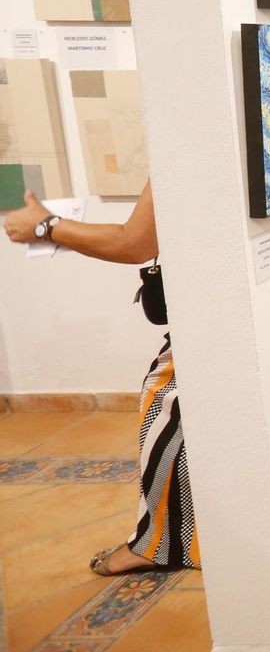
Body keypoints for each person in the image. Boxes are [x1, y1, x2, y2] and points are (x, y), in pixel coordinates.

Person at [3, 181, 201, 576]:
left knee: (165, 409)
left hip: (208, 315)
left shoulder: (185, 132)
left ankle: (159, 544)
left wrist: (47, 226)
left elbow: (134, 243)